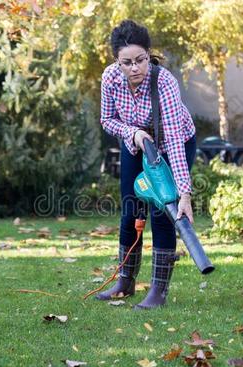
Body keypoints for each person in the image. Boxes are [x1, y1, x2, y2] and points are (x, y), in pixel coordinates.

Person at [97, 19, 197, 309]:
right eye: (126, 62)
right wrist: (134, 133)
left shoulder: (163, 82)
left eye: (140, 60)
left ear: (148, 55)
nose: (134, 68)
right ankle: (125, 281)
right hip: (136, 143)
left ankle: (158, 291)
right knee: (131, 210)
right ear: (117, 61)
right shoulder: (110, 78)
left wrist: (184, 193)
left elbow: (176, 141)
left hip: (170, 144)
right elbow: (107, 120)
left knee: (162, 210)